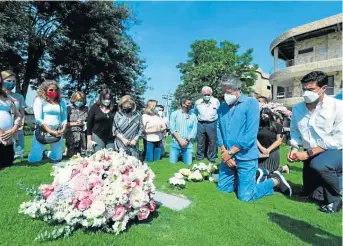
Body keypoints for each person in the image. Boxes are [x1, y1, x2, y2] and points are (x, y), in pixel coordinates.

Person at [216, 74, 291, 202]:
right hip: (227, 155)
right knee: (224, 189)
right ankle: (254, 177)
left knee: (245, 197)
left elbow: (250, 135)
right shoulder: (222, 107)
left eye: (228, 92)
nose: (225, 95)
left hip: (246, 157)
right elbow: (218, 128)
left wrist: (230, 152)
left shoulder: (251, 103)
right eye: (223, 91)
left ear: (238, 90)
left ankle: (275, 180)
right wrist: (224, 151)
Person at [288, 71, 342, 213]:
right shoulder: (298, 108)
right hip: (309, 151)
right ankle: (314, 192)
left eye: (311, 89)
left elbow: (338, 138)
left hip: (334, 150)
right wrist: (294, 148)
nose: (306, 93)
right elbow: (294, 130)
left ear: (323, 88)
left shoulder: (338, 106)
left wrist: (309, 153)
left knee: (319, 164)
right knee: (311, 192)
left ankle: (335, 199)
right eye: (304, 89)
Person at [28, 80, 67, 163]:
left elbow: (64, 118)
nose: (54, 92)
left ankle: (46, 153)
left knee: (57, 158)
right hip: (42, 130)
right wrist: (50, 131)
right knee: (35, 159)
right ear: (45, 90)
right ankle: (34, 155)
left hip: (57, 130)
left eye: (56, 90)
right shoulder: (39, 100)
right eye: (51, 90)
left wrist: (63, 129)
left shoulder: (61, 102)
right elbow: (38, 118)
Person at [256, 108, 289, 183]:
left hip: (273, 151)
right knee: (259, 171)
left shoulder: (277, 126)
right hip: (260, 151)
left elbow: (279, 141)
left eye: (266, 114)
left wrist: (268, 150)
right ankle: (283, 168)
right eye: (262, 115)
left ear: (270, 115)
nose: (263, 117)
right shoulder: (257, 126)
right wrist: (261, 148)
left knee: (270, 172)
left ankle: (283, 168)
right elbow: (254, 138)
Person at [1, 70, 26, 160]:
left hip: (17, 128)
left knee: (18, 153)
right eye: (9, 81)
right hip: (2, 130)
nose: (12, 83)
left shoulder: (19, 97)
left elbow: (21, 113)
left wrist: (20, 126)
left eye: (14, 81)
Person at [194, 86, 220, 164]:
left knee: (212, 141)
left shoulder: (216, 101)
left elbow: (219, 111)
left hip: (212, 123)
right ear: (202, 94)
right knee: (200, 141)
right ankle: (200, 156)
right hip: (201, 123)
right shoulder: (198, 102)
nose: (206, 96)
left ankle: (212, 157)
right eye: (205, 94)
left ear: (211, 94)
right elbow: (195, 111)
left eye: (208, 94)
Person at [169, 98, 197, 165]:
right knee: (172, 163)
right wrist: (180, 141)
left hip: (188, 144)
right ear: (183, 104)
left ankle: (182, 155)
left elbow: (194, 130)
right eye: (188, 104)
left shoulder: (193, 116)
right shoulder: (174, 114)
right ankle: (179, 154)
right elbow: (172, 129)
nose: (191, 105)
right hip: (176, 143)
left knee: (188, 163)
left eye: (191, 103)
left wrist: (187, 141)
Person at [65, 91, 88, 157]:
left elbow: (89, 121)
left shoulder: (86, 109)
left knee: (83, 155)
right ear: (73, 99)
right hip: (72, 134)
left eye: (81, 100)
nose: (80, 102)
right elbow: (63, 123)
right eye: (78, 100)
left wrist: (84, 123)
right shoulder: (68, 109)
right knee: (72, 156)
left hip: (83, 134)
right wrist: (75, 123)